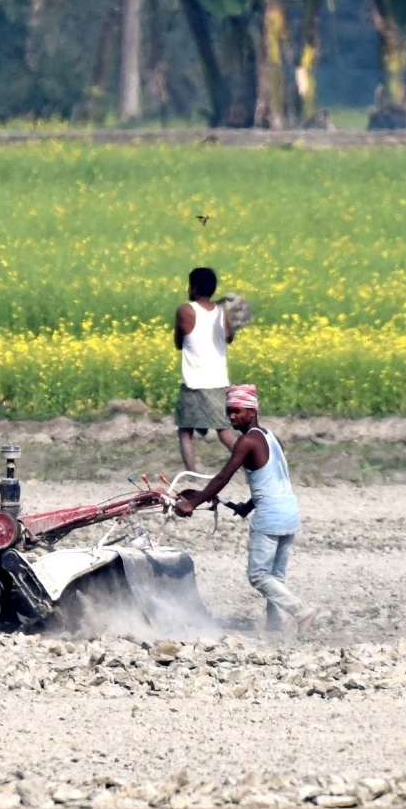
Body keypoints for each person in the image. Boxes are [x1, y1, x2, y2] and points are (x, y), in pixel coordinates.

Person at [174, 384, 318, 635]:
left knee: (259, 576)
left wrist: (192, 503)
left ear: (252, 412)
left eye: (237, 411)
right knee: (276, 577)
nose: (231, 417)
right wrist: (245, 506)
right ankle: (275, 624)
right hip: (289, 511)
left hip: (270, 516)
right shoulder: (271, 437)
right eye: (229, 411)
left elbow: (223, 477)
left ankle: (300, 611)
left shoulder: (247, 440)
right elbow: (269, 478)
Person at [174, 266, 236, 472]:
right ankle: (253, 465)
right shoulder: (222, 312)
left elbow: (178, 342)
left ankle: (192, 474)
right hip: (218, 380)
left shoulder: (185, 311)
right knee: (224, 432)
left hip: (194, 382)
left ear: (193, 288)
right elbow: (229, 337)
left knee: (185, 431)